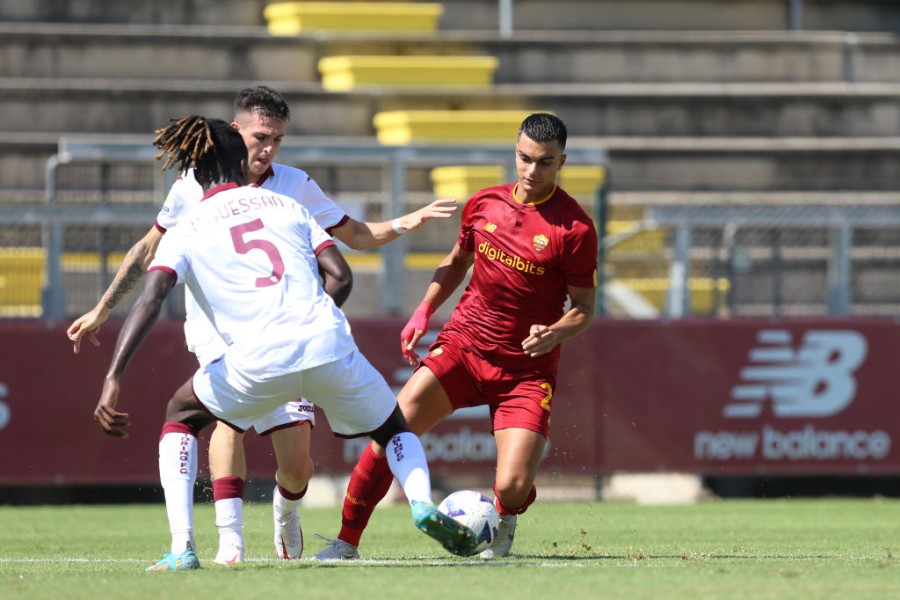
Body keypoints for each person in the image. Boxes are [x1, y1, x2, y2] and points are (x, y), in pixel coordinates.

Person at [66, 86, 457, 564]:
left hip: (281, 331)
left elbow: (353, 235)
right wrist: (104, 307)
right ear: (236, 134)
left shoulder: (293, 189)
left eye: (277, 139)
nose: (268, 148)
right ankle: (228, 542)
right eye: (259, 137)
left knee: (296, 466)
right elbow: (148, 249)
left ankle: (277, 514)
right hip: (226, 330)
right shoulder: (194, 186)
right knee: (222, 420)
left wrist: (400, 223)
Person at [312, 113, 598, 561]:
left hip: (525, 367)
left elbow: (584, 309)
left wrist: (555, 332)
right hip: (464, 347)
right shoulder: (484, 203)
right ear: (515, 152)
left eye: (544, 162)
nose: (531, 171)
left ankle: (506, 519)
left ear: (562, 160)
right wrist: (423, 310)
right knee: (392, 431)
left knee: (512, 485)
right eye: (524, 158)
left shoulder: (575, 229)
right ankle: (346, 542)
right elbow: (456, 260)